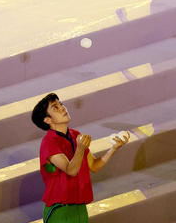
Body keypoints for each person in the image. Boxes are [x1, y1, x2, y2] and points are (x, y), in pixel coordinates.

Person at [31, 93, 128, 222]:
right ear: (47, 120)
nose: (62, 108)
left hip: (79, 207)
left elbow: (94, 166)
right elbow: (71, 170)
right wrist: (80, 148)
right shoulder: (49, 143)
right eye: (55, 107)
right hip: (60, 210)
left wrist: (114, 148)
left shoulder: (75, 135)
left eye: (61, 104)